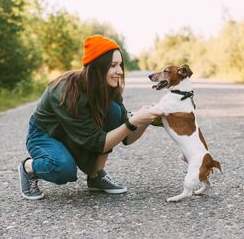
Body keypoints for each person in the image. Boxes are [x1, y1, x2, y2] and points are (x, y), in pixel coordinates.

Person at [18, 35, 163, 200]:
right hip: (45, 134)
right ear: (97, 67)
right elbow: (97, 142)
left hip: (75, 131)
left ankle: (96, 176)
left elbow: (126, 138)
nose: (120, 71)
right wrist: (133, 121)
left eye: (120, 65)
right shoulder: (66, 91)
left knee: (114, 111)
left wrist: (146, 120)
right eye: (113, 65)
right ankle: (28, 168)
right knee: (63, 169)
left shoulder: (110, 87)